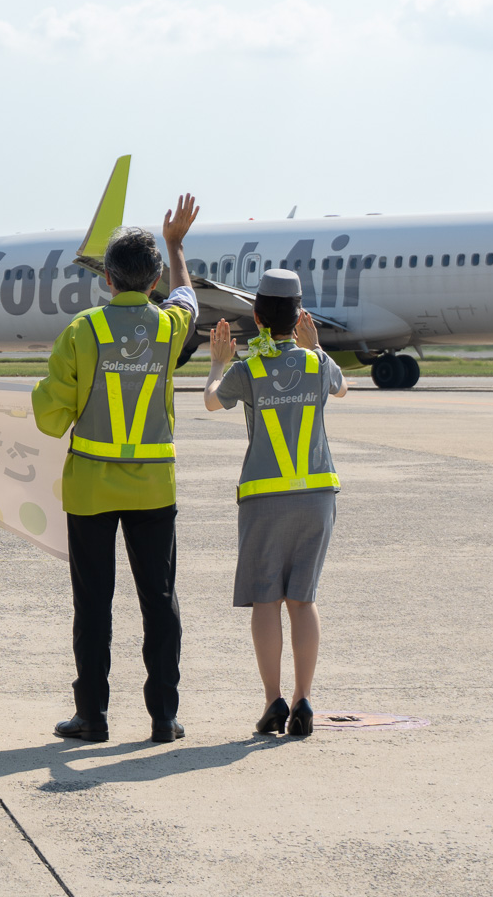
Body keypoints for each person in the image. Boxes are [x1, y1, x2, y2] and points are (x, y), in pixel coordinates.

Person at [31, 197, 200, 743]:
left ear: (106, 278)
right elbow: (189, 299)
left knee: (93, 605)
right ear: (153, 280)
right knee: (160, 601)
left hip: (92, 489)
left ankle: (92, 715)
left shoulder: (83, 332)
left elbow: (49, 416)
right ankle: (164, 716)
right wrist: (176, 244)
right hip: (153, 485)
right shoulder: (170, 327)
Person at [201, 269, 348, 738]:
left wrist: (218, 363)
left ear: (258, 317)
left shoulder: (250, 369)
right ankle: (304, 700)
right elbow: (342, 387)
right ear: (300, 316)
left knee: (265, 600)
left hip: (265, 498)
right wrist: (316, 347)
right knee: (302, 600)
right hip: (317, 495)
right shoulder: (316, 363)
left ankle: (273, 701)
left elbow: (211, 402)